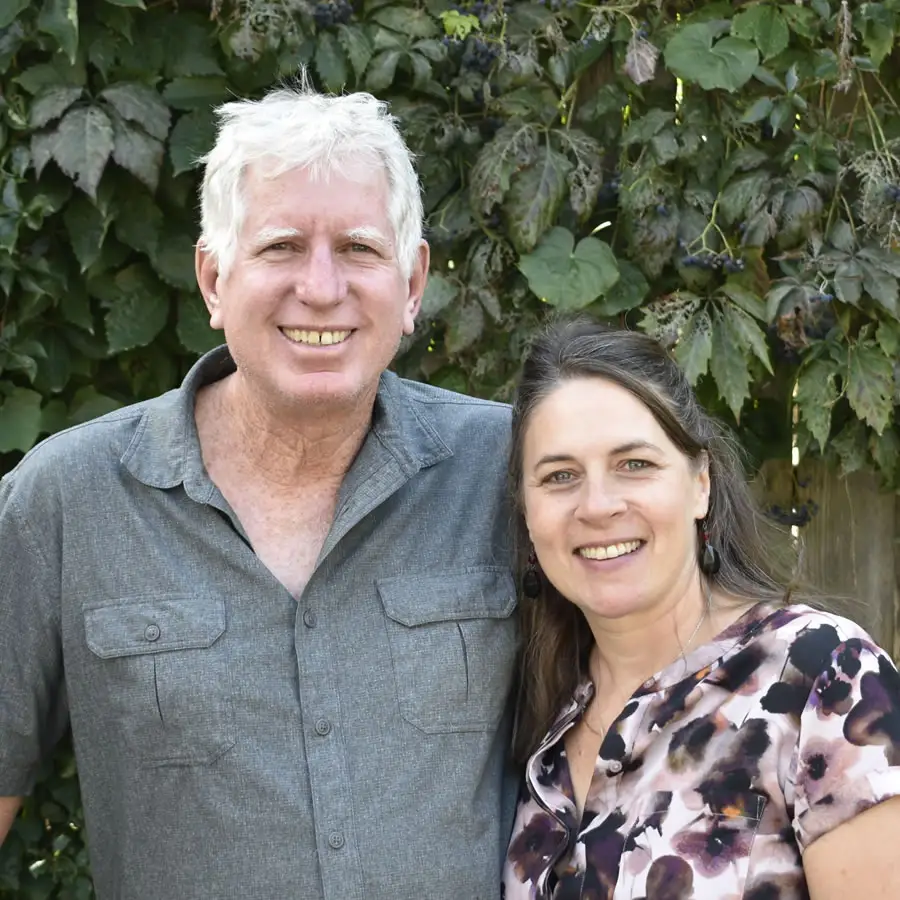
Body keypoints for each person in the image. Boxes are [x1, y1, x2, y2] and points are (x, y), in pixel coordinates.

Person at [0, 78, 519, 900]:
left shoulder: (512, 471)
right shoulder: (64, 501)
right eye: (280, 247)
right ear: (213, 280)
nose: (320, 288)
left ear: (413, 284)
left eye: (358, 248)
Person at [502, 318, 900, 899]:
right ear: (527, 513)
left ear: (700, 485)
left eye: (634, 464)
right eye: (560, 476)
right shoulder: (536, 718)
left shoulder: (824, 675)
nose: (598, 505)